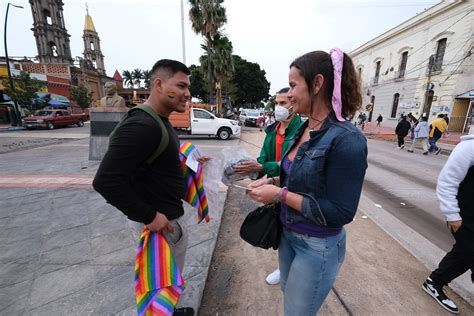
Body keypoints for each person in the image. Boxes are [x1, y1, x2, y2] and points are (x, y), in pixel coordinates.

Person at [247, 49, 367, 315]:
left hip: (317, 245)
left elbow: (340, 211)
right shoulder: (303, 128)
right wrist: (273, 179)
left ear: (317, 84)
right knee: (289, 300)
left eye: (293, 86)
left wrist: (279, 194)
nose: (288, 95)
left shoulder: (347, 139)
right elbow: (299, 175)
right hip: (288, 236)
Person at [93, 59, 194, 316]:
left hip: (166, 218)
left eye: (188, 86)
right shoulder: (142, 125)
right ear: (158, 84)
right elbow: (105, 181)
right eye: (181, 85)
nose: (187, 93)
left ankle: (170, 311)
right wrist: (150, 217)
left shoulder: (159, 120)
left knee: (166, 281)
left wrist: (187, 159)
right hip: (161, 224)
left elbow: (154, 160)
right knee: (158, 284)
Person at [234, 87, 303, 285]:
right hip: (272, 186)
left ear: (293, 105)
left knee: (294, 229)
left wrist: (264, 167)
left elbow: (292, 165)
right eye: (277, 103)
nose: (279, 107)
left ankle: (292, 268)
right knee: (279, 228)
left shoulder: (303, 131)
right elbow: (263, 158)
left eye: (283, 103)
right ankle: (283, 267)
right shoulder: (272, 130)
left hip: (293, 187)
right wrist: (251, 169)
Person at [422, 128, 474, 314]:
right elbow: (447, 181)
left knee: (464, 254)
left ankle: (434, 282)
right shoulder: (468, 147)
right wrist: (452, 214)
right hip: (466, 216)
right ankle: (434, 282)